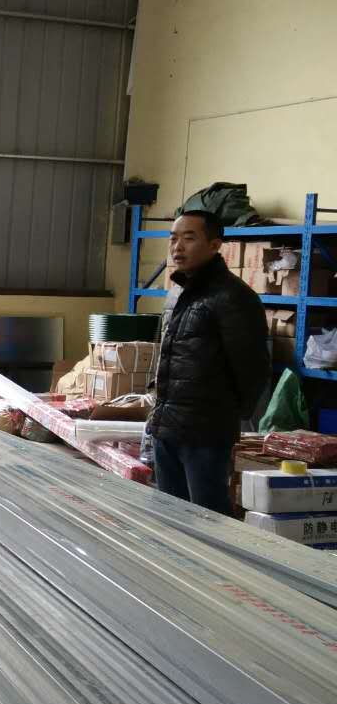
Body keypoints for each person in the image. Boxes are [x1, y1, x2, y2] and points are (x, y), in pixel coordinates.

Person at [147, 209, 269, 515]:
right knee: (170, 516)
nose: (178, 247)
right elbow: (168, 355)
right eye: (173, 239)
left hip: (205, 434)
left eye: (189, 238)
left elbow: (252, 367)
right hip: (166, 428)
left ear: (214, 245)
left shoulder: (234, 297)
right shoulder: (177, 293)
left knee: (208, 518)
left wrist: (227, 415)